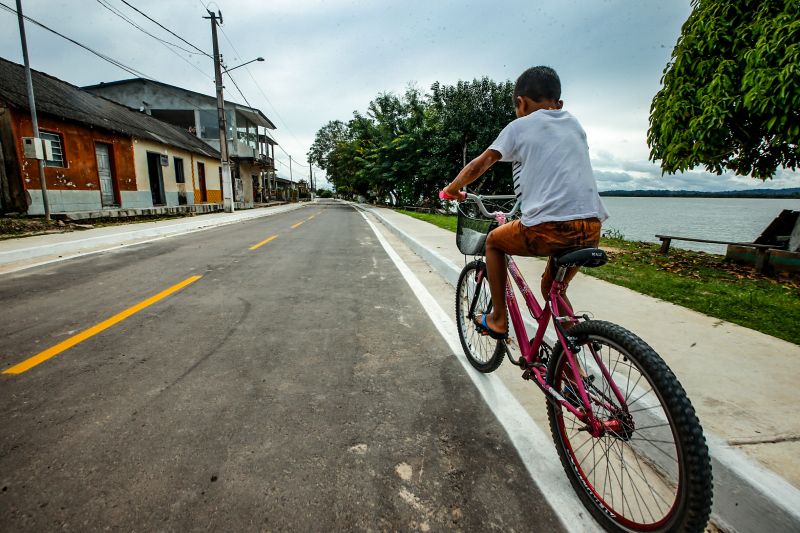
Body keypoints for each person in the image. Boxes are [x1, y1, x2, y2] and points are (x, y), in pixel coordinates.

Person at [441, 66, 609, 339]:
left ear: (520, 103)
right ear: (559, 103)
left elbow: (480, 163)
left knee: (494, 241)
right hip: (591, 228)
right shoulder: (574, 124)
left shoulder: (519, 127)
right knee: (553, 291)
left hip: (548, 227)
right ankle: (571, 360)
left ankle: (497, 318)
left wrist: (451, 190)